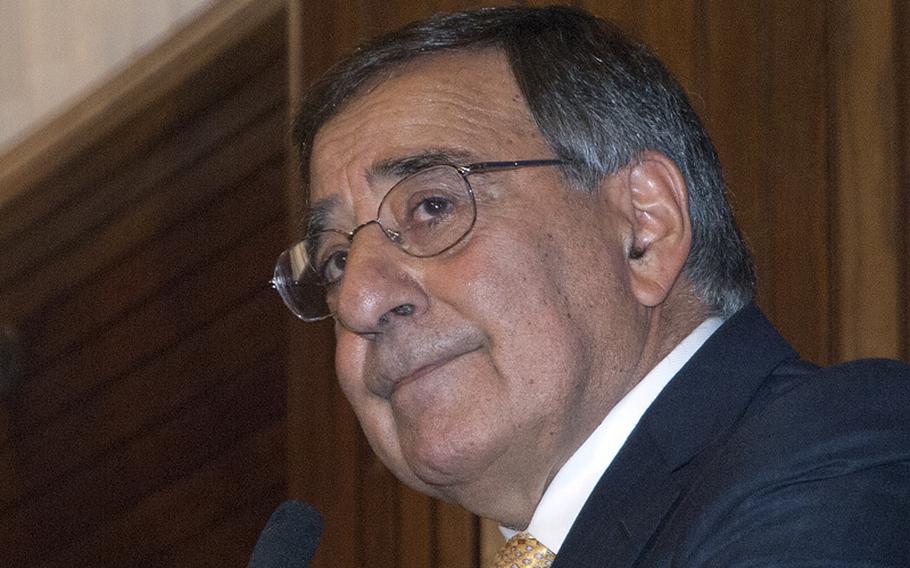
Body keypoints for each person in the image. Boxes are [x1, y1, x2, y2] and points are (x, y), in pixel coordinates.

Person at [272, 5, 910, 566]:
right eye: (334, 261)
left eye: (433, 206)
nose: (358, 301)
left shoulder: (836, 458)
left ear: (644, 228)